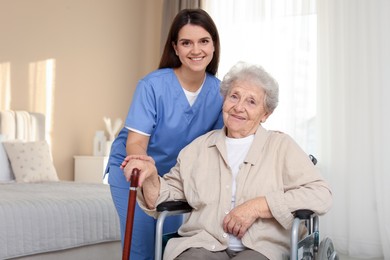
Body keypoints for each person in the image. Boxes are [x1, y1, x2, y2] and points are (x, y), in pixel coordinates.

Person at [123, 62, 333, 260]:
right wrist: (150, 176)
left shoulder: (281, 146)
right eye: (234, 96)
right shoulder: (198, 149)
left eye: (251, 101)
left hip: (262, 248)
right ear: (224, 100)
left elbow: (320, 195)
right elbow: (161, 199)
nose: (238, 107)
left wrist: (259, 206)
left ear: (265, 114)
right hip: (204, 243)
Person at [105, 8, 223, 260]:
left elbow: (218, 146)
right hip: (134, 170)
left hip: (174, 178)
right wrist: (146, 174)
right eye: (186, 43)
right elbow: (135, 143)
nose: (196, 50)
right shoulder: (152, 86)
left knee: (168, 245)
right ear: (175, 48)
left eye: (204, 41)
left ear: (214, 45)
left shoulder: (220, 92)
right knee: (142, 248)